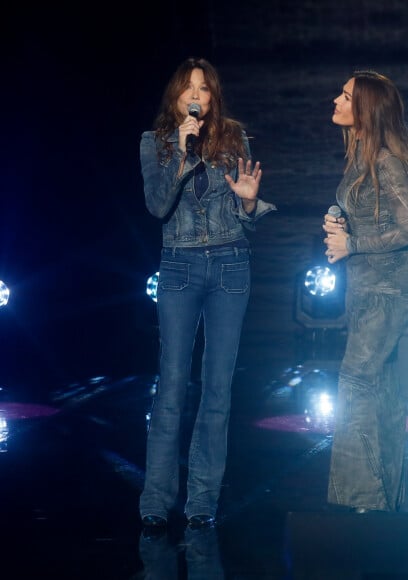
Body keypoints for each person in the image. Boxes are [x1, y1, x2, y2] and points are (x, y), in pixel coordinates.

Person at [139, 57, 276, 532]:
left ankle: (202, 502)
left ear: (214, 98)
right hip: (178, 266)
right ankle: (156, 499)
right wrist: (180, 152)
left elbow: (247, 219)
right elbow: (157, 206)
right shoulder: (154, 144)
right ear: (175, 96)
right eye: (188, 89)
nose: (196, 97)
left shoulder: (234, 139)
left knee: (217, 389)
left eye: (204, 89)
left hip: (230, 266)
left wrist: (249, 201)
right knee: (172, 386)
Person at [322, 70, 408, 513]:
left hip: (389, 289)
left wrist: (354, 243)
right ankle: (383, 501)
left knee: (355, 384)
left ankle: (361, 503)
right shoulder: (363, 159)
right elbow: (365, 210)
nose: (336, 99)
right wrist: (337, 219)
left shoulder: (385, 161)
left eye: (345, 96)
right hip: (366, 288)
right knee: (378, 386)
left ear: (364, 110)